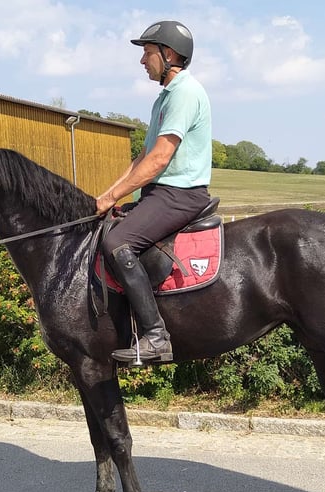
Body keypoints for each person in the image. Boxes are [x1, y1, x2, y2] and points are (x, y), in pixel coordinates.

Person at [96, 20, 212, 364]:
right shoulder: (165, 97)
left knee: (117, 243)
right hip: (161, 193)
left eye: (147, 53)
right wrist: (107, 196)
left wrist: (112, 197)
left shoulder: (185, 93)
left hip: (180, 193)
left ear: (169, 54)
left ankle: (156, 337)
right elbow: (142, 158)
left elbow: (160, 159)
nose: (143, 61)